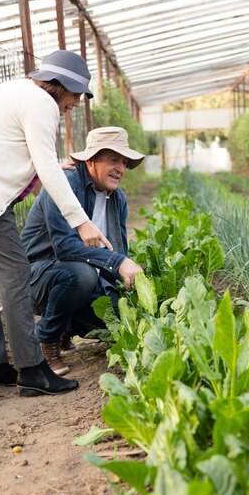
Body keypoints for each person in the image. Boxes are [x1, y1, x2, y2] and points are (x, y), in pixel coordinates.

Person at [0, 50, 113, 396]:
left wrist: (49, 164)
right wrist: (81, 222)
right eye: (75, 94)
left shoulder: (15, 90)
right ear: (59, 85)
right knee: (16, 274)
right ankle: (32, 369)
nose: (76, 102)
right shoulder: (42, 105)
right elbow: (44, 164)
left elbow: (15, 147)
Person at [20, 126, 145, 375]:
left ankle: (65, 327)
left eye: (123, 161)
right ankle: (46, 339)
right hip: (35, 277)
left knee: (116, 312)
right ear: (90, 160)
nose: (120, 168)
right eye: (113, 160)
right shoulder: (64, 185)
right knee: (82, 274)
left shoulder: (118, 198)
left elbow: (118, 250)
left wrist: (129, 297)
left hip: (75, 275)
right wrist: (118, 261)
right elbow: (64, 247)